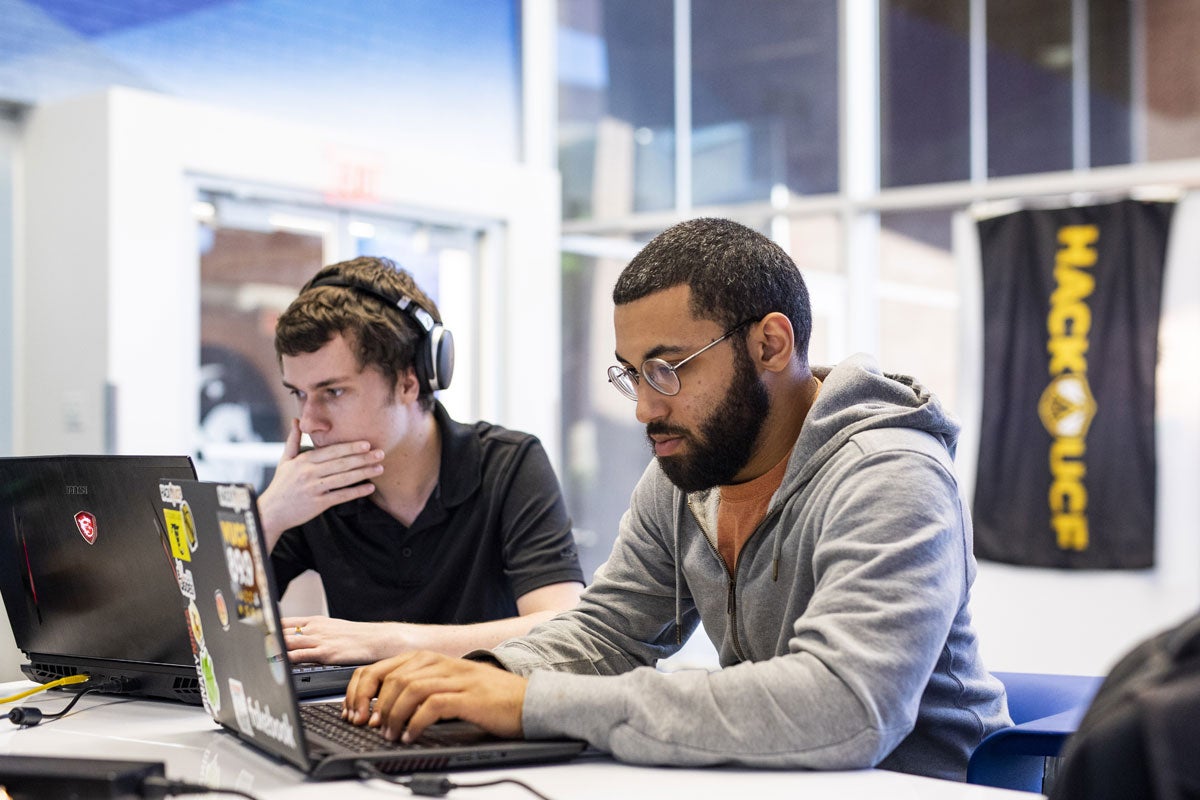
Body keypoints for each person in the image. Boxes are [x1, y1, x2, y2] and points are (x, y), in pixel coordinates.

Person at [341, 218, 1010, 780]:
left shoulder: (890, 475)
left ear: (770, 344)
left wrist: (529, 701)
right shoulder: (688, 470)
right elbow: (606, 631)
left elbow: (844, 707)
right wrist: (474, 681)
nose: (644, 407)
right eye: (632, 375)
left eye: (667, 369)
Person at [257, 256, 584, 665]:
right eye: (299, 394)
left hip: (487, 720)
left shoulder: (509, 464)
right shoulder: (310, 485)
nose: (309, 422)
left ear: (410, 381)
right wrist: (266, 517)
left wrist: (388, 643)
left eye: (333, 392)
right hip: (363, 716)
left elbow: (564, 629)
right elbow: (204, 634)